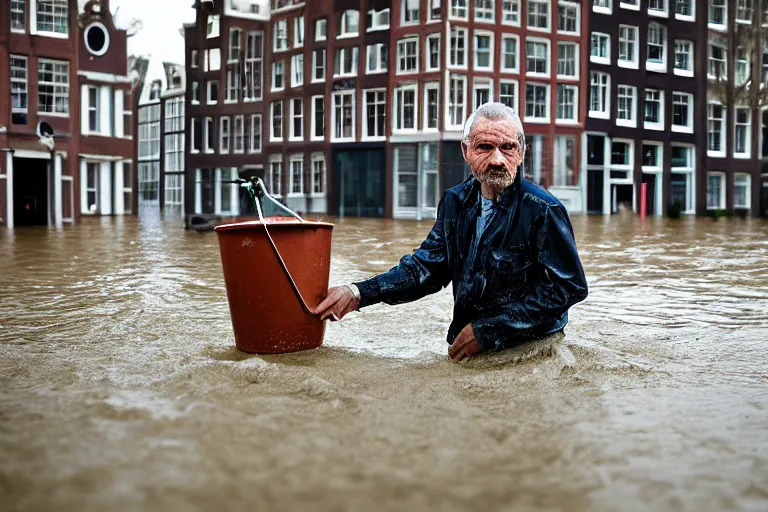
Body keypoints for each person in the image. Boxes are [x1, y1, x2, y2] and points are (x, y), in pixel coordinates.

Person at [315, 103, 588, 361]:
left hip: (528, 348)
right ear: (465, 151)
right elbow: (426, 270)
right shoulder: (455, 202)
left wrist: (489, 330)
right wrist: (358, 293)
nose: (497, 159)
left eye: (507, 147)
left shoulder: (543, 210)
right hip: (468, 346)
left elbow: (569, 287)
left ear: (521, 152)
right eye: (484, 147)